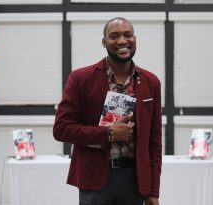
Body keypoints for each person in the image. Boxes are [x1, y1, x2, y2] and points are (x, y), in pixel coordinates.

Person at [53, 17, 162, 205]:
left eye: (128, 35)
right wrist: (109, 134)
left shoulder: (151, 82)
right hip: (94, 179)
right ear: (104, 42)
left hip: (135, 181)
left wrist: (153, 190)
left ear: (135, 39)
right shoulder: (80, 79)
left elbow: (155, 143)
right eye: (114, 36)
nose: (122, 41)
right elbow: (61, 129)